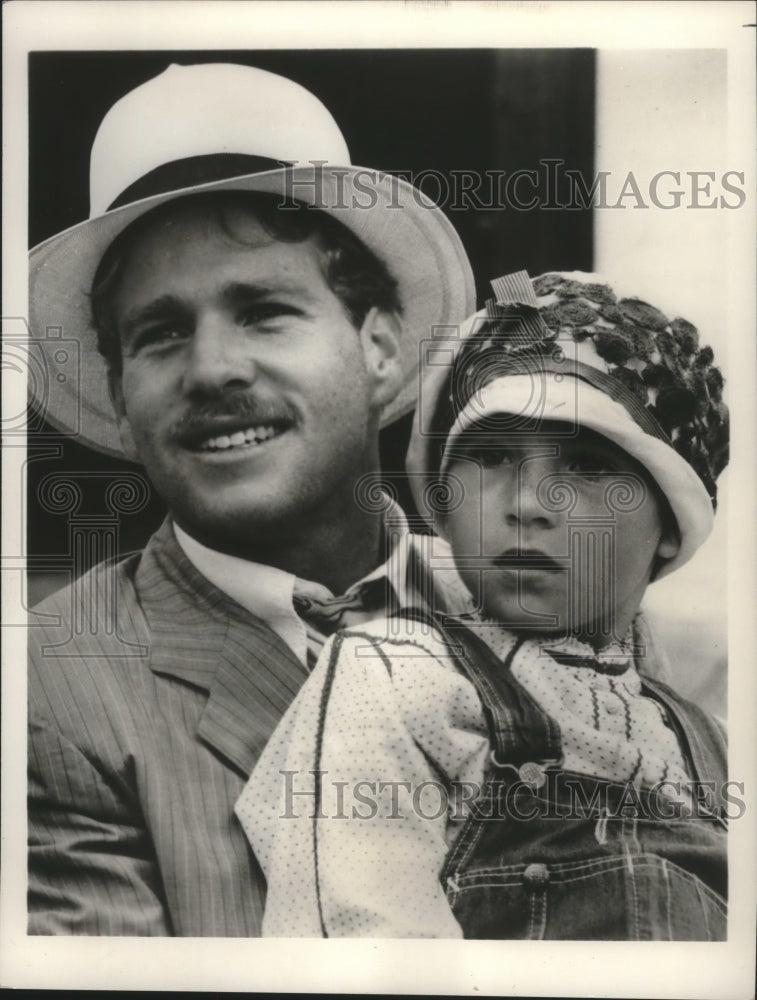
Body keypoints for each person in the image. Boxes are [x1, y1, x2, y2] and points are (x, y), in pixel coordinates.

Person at [26, 61, 477, 935]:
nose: (212, 370)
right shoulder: (50, 689)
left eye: (265, 310)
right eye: (159, 335)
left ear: (379, 348)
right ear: (119, 401)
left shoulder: (526, 609)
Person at [237, 269, 729, 939]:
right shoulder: (395, 676)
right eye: (491, 455)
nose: (527, 503)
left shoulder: (707, 743)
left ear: (670, 522)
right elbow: (361, 940)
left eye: (585, 466)